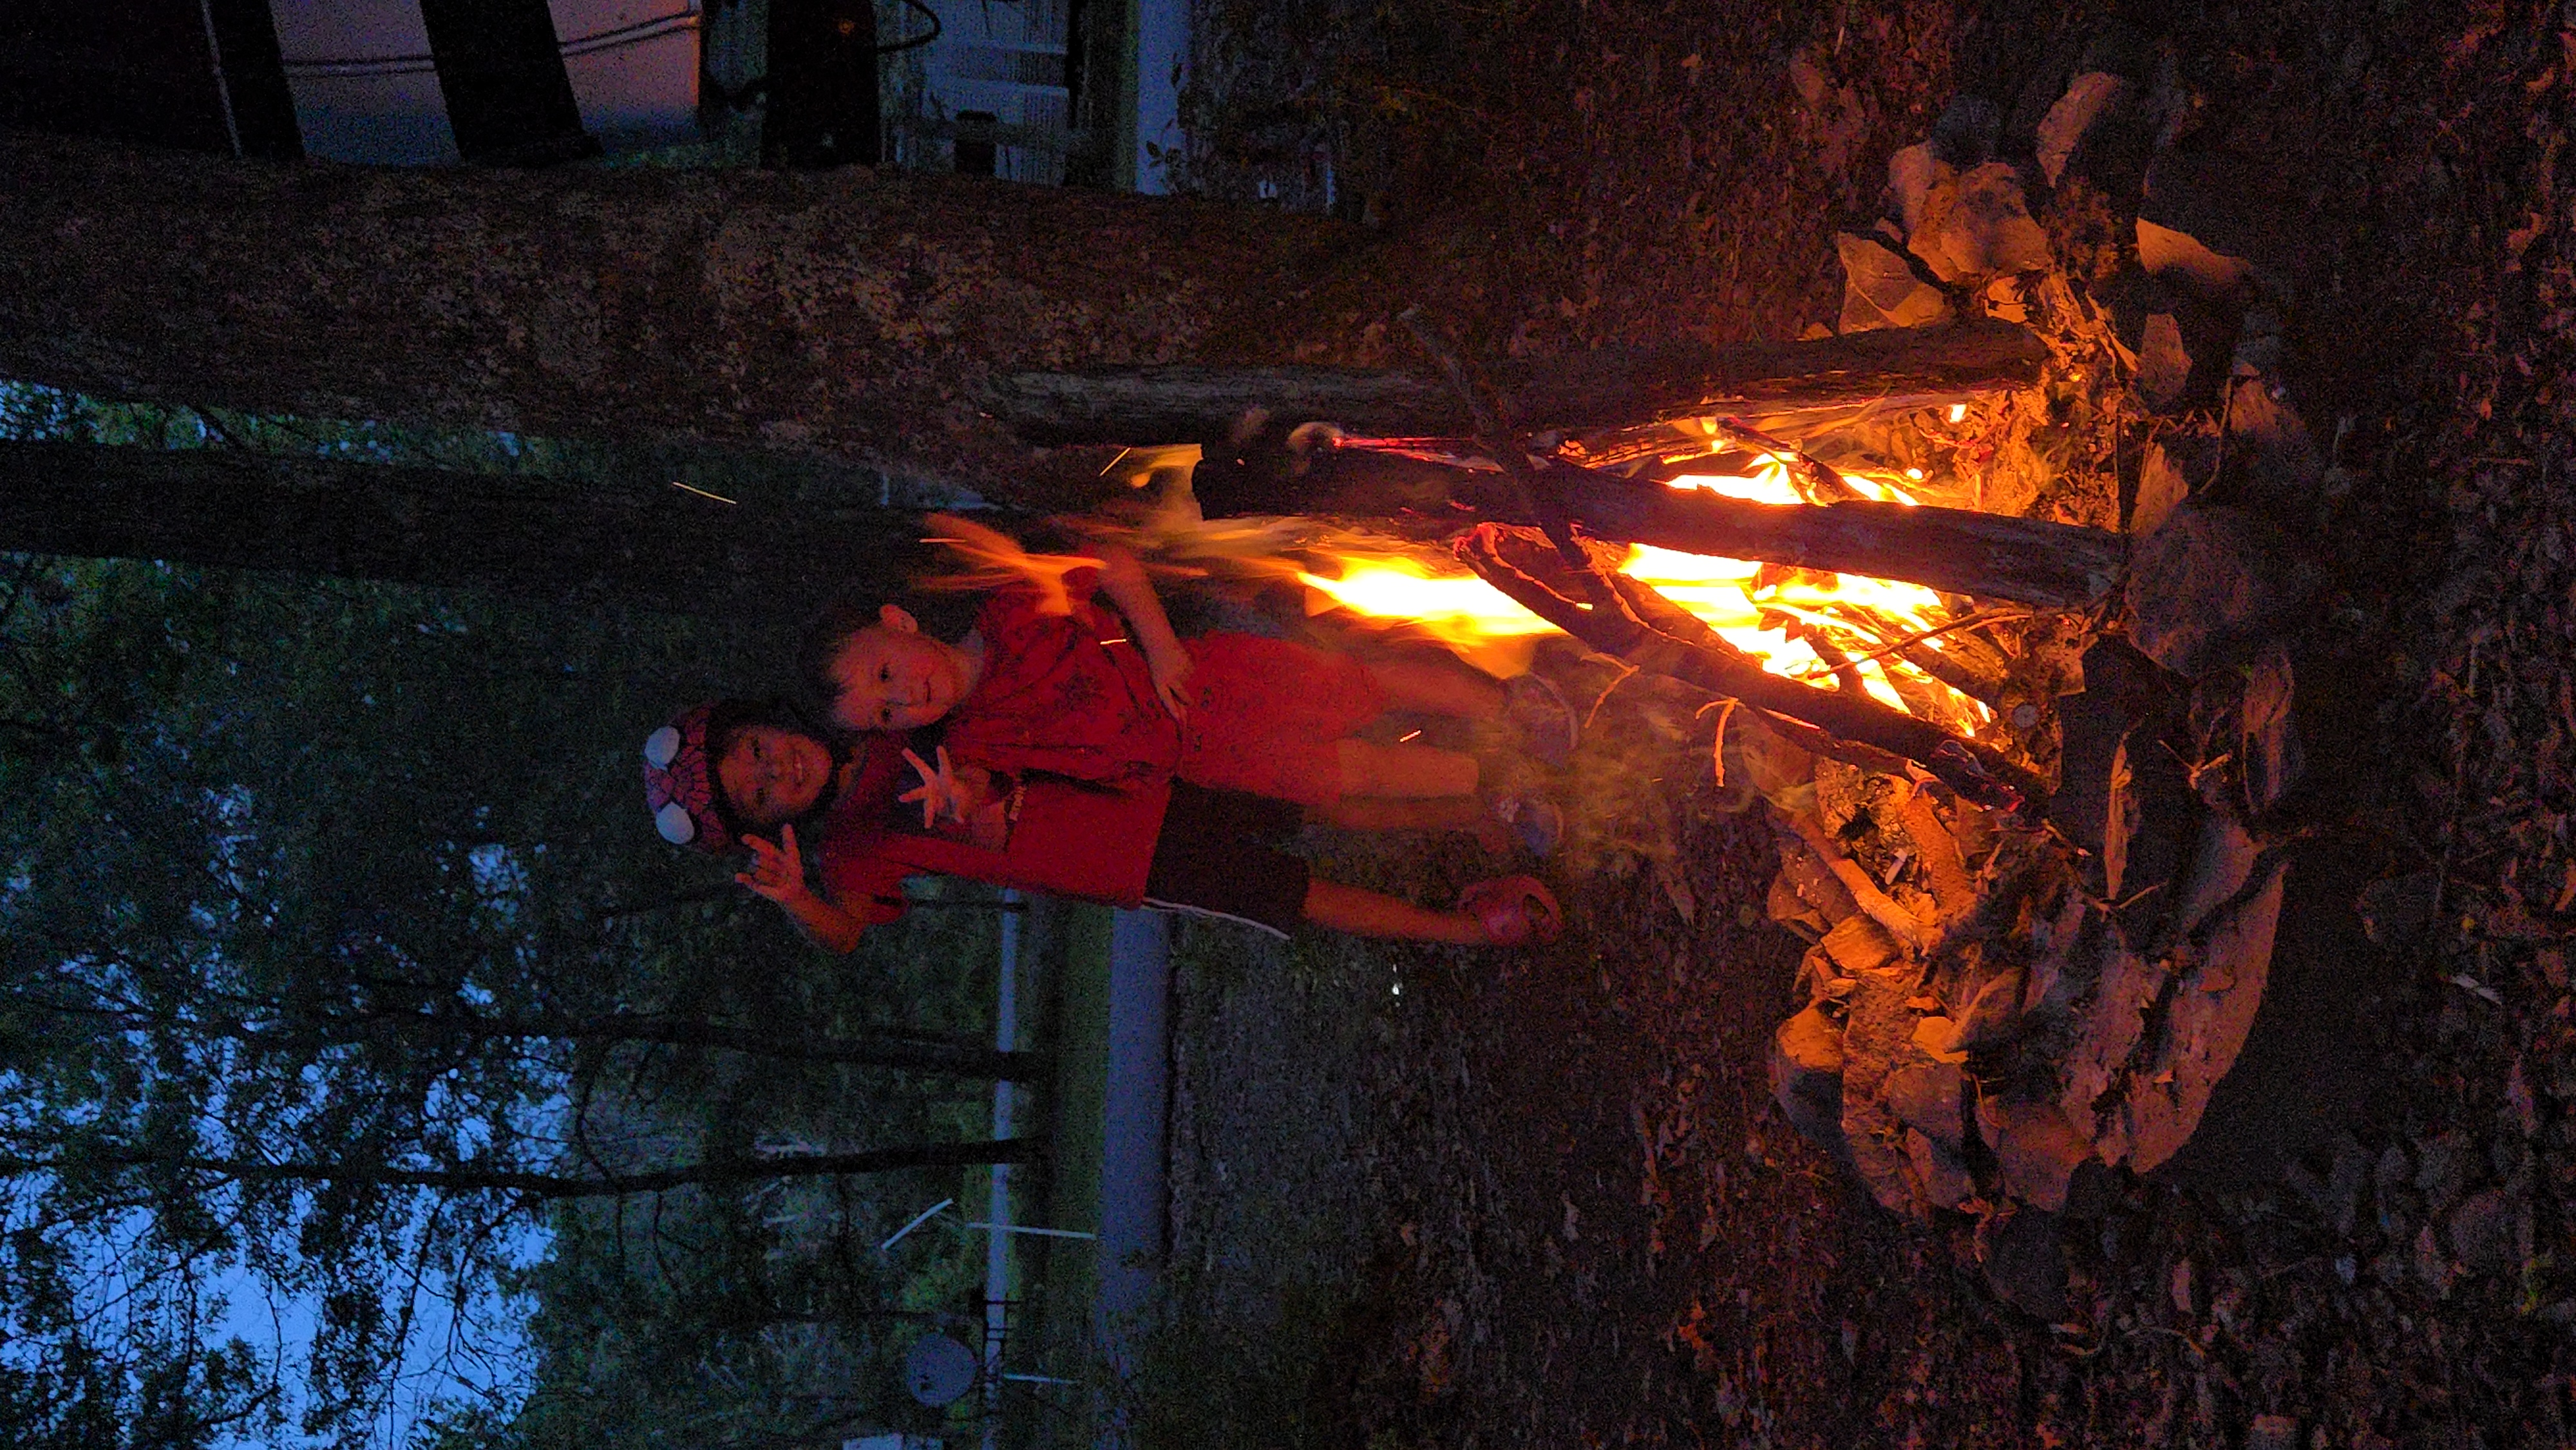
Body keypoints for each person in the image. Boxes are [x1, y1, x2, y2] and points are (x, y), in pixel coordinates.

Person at [799, 514, 1578, 854]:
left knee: (1359, 687)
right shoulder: (973, 739)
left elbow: (1109, 561)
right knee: (1354, 772)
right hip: (1199, 757)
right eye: (885, 714)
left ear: (899, 621)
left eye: (886, 673)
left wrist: (1163, 645)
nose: (904, 698)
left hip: (1211, 676)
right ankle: (1498, 785)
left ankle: (1509, 706)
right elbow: (990, 795)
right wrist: (961, 800)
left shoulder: (1009, 608)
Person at [640, 699, 1564, 954]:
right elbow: (848, 931)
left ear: (768, 720)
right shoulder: (854, 844)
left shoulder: (879, 713)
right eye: (757, 794)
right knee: (1295, 894)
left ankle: (1476, 817)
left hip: (1140, 775)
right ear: (766, 825)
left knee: (1315, 798)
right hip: (1125, 861)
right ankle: (1464, 928)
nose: (775, 771)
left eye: (757, 750)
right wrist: (798, 898)